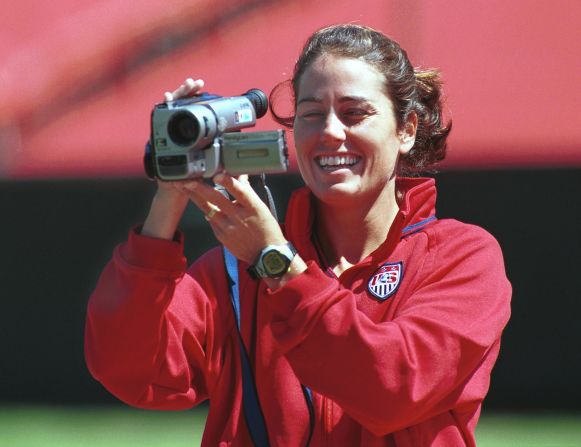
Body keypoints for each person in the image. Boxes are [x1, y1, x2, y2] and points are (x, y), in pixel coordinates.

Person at [85, 24, 511, 446]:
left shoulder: (462, 256)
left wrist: (278, 265)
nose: (329, 131)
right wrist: (170, 193)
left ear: (407, 129)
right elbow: (129, 369)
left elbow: (394, 388)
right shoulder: (235, 270)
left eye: (354, 113)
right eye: (311, 114)